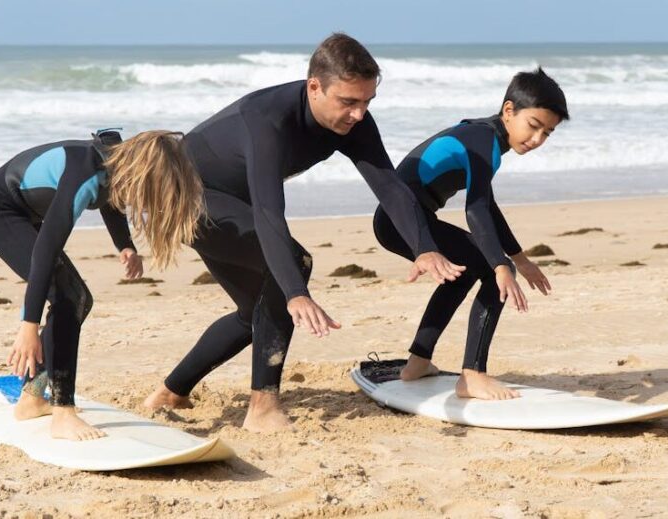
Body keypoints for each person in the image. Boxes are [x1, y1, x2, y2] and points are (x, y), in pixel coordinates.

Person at [143, 33, 465, 432]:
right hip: (185, 197)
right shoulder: (267, 120)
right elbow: (268, 211)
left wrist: (424, 247)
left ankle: (171, 392)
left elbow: (389, 186)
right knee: (291, 268)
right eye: (348, 101)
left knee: (254, 313)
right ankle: (263, 407)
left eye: (367, 101)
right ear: (315, 87)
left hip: (232, 201)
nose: (359, 113)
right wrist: (296, 291)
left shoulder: (353, 123)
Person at [0, 129, 204, 440]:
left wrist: (124, 244)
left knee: (77, 299)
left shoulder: (117, 163)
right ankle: (62, 414)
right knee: (70, 297)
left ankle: (32, 398)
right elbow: (46, 251)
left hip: (27, 212)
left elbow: (112, 197)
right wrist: (29, 324)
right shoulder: (84, 177)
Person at [372, 67, 568, 399]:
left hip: (400, 221)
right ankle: (473, 375)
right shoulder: (482, 141)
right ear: (509, 110)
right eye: (534, 125)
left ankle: (418, 362)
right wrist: (502, 266)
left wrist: (520, 259)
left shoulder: (485, 138)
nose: (537, 139)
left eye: (547, 133)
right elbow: (475, 210)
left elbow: (486, 204)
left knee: (462, 273)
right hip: (402, 222)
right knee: (493, 273)